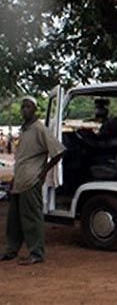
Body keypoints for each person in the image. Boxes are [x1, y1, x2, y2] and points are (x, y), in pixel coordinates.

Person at [0, 96, 65, 265]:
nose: (24, 110)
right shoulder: (25, 130)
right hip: (20, 179)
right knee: (14, 219)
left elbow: (58, 152)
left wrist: (43, 173)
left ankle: (36, 253)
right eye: (23, 107)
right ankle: (11, 250)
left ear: (35, 109)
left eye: (28, 107)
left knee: (32, 218)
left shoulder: (39, 129)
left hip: (31, 179)